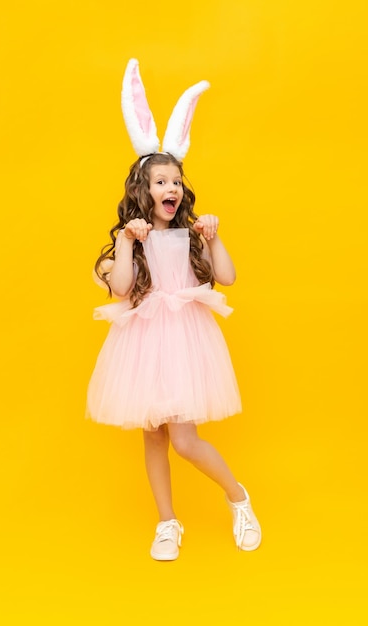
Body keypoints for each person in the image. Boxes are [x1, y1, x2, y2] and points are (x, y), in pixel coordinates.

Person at [86, 60, 261, 560]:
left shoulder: (189, 236)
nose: (171, 188)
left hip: (184, 338)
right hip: (143, 342)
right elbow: (121, 290)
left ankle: (238, 498)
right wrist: (125, 242)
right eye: (161, 181)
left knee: (184, 439)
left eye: (176, 181)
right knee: (155, 436)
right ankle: (168, 522)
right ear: (142, 190)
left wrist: (213, 236)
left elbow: (225, 277)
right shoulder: (127, 240)